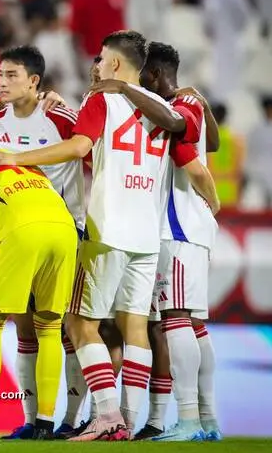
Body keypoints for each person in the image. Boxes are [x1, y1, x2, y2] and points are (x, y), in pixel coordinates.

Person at [0, 30, 200, 440]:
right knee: (135, 325)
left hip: (105, 228)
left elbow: (80, 144)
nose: (95, 66)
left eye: (100, 59)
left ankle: (106, 416)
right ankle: (129, 421)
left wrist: (16, 157)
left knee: (81, 323)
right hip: (146, 233)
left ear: (115, 64)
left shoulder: (102, 97)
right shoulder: (159, 104)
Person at [0, 45, 84, 440]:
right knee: (24, 328)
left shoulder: (58, 115)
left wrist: (17, 158)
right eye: (1, 74)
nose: (3, 82)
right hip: (19, 232)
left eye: (12, 75)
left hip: (66, 228)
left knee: (63, 328)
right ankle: (31, 420)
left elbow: (84, 146)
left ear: (34, 81)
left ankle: (71, 420)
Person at [0, 143, 79, 441]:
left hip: (21, 232)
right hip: (65, 231)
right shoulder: (21, 161)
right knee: (49, 328)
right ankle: (45, 424)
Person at [130, 42, 220, 442]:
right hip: (191, 228)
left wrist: (213, 197)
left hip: (177, 226)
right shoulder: (193, 104)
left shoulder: (179, 110)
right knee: (195, 325)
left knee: (175, 319)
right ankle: (209, 419)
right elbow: (211, 143)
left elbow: (189, 154)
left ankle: (187, 421)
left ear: (151, 76)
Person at [201, 0, 250, 105]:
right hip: (231, 39)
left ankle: (221, 103)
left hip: (220, 39)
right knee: (227, 72)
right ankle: (223, 103)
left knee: (221, 70)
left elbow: (206, 19)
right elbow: (244, 16)